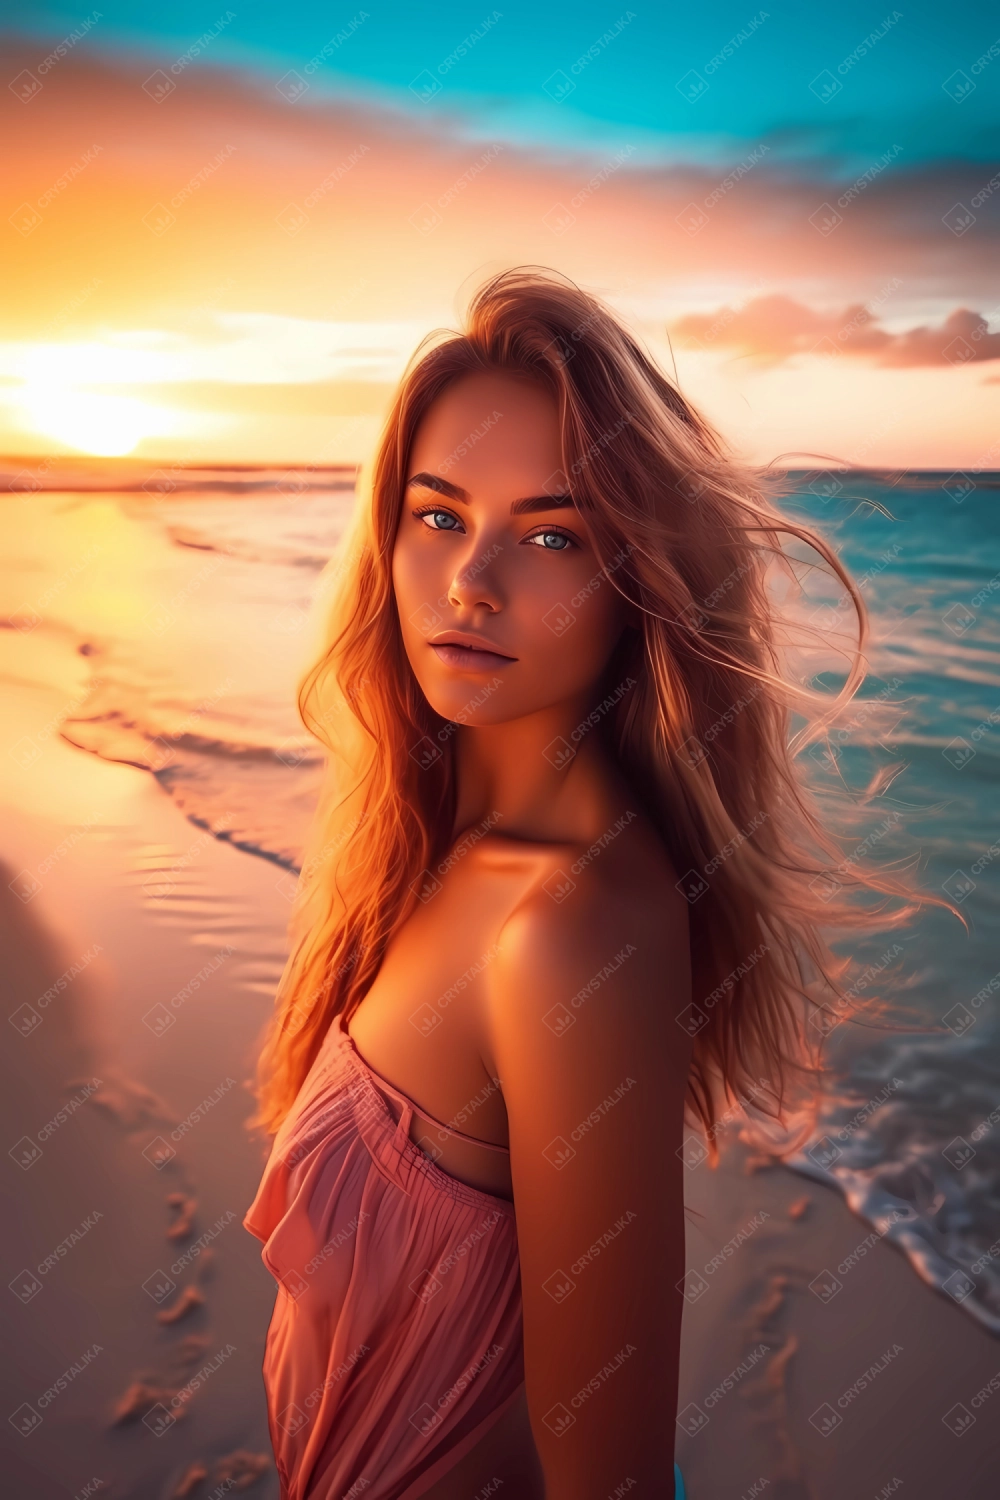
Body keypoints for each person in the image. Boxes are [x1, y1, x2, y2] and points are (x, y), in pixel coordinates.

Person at [243, 267, 930, 1499]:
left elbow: (607, 1479)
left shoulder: (574, 930)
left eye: (553, 535)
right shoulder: (426, 852)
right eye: (439, 515)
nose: (471, 581)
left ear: (637, 586)